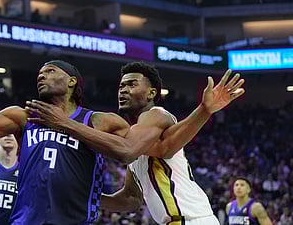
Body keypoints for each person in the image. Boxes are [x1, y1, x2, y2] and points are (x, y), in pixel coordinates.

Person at [0, 29, 141, 224]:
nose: (41, 76)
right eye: (39, 73)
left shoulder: (99, 121)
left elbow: (134, 150)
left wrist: (111, 195)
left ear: (72, 81)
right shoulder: (24, 117)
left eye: (50, 71)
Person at [26, 62, 245, 225]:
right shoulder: (137, 136)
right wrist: (88, 196)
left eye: (131, 84)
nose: (123, 90)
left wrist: (65, 123)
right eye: (121, 86)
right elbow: (130, 199)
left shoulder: (156, 115)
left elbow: (126, 151)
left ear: (151, 93)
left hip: (192, 220)